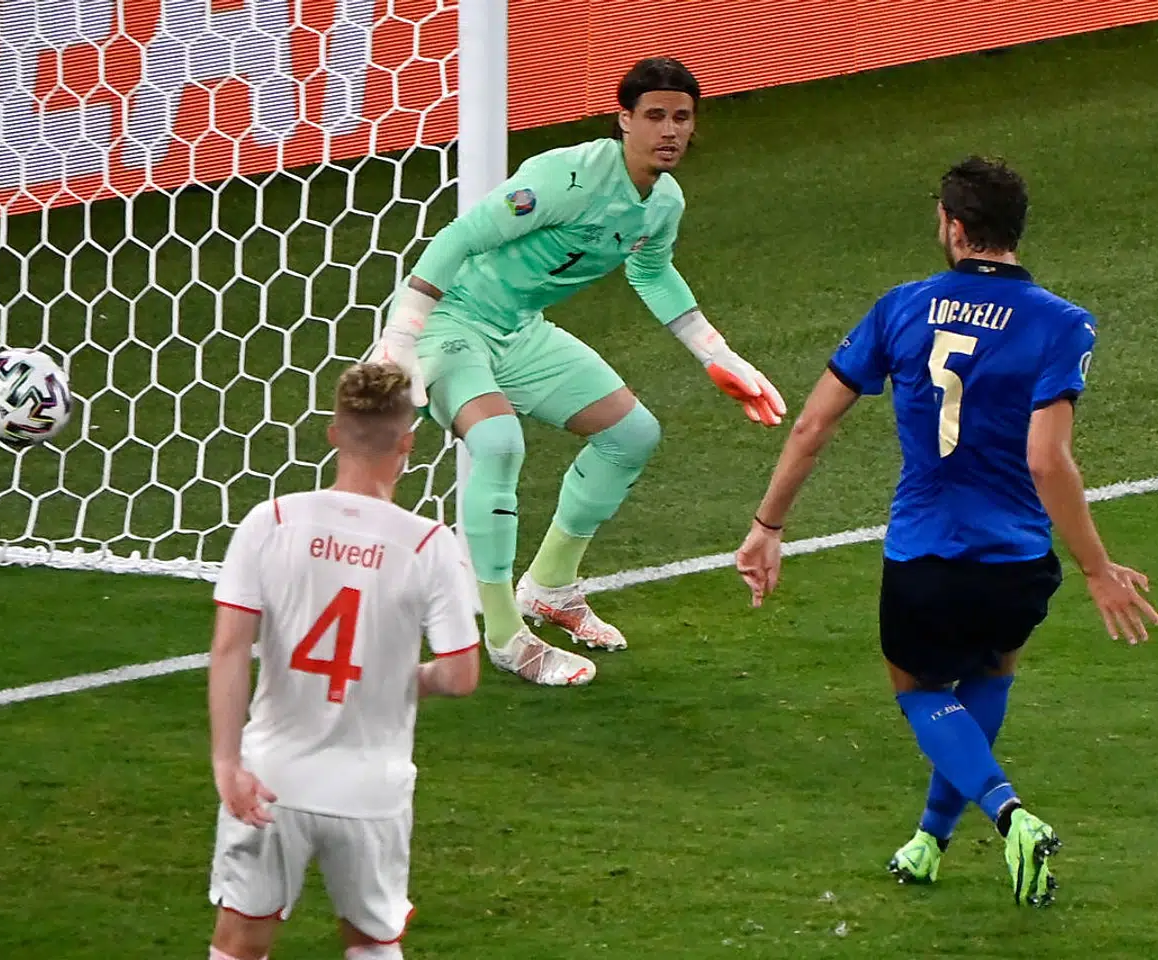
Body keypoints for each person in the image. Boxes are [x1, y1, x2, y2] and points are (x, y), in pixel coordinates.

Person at [734, 157, 1158, 906]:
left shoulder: (901, 307)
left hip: (924, 552)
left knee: (919, 689)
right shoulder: (1063, 323)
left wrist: (768, 524)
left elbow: (811, 426)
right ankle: (929, 842)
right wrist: (1095, 567)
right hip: (1017, 557)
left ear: (954, 227)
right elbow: (1047, 458)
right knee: (991, 672)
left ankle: (1010, 814)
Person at [364, 57, 785, 687]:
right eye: (655, 116)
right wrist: (402, 334)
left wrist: (715, 353)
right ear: (625, 119)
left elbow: (651, 272)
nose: (670, 130)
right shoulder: (566, 178)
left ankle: (551, 587)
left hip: (519, 329)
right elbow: (460, 238)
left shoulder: (662, 202)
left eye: (682, 117)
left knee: (631, 434)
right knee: (498, 442)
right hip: (452, 321)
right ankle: (503, 634)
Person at [206, 363, 480, 960]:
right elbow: (460, 676)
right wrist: (401, 680)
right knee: (374, 943)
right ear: (407, 443)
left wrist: (227, 763)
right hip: (371, 791)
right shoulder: (429, 544)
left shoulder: (271, 521)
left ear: (333, 433)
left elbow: (229, 650)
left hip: (271, 780)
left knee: (239, 942)